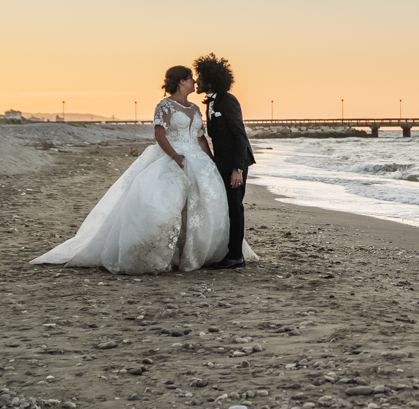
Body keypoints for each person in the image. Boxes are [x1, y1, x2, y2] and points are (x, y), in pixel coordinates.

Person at [31, 66, 230, 273]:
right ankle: (159, 254)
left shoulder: (196, 109)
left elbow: (200, 138)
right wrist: (175, 157)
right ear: (181, 81)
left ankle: (193, 253)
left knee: (199, 207)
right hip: (173, 157)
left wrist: (211, 162)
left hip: (198, 162)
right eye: (190, 78)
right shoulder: (165, 105)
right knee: (164, 207)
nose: (194, 82)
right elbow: (159, 134)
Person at [193, 53, 255, 270]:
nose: (196, 80)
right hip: (222, 163)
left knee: (234, 207)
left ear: (211, 79)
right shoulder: (212, 102)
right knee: (226, 206)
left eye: (200, 77)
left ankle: (236, 257)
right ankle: (229, 252)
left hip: (235, 165)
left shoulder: (228, 100)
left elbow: (240, 135)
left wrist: (238, 169)